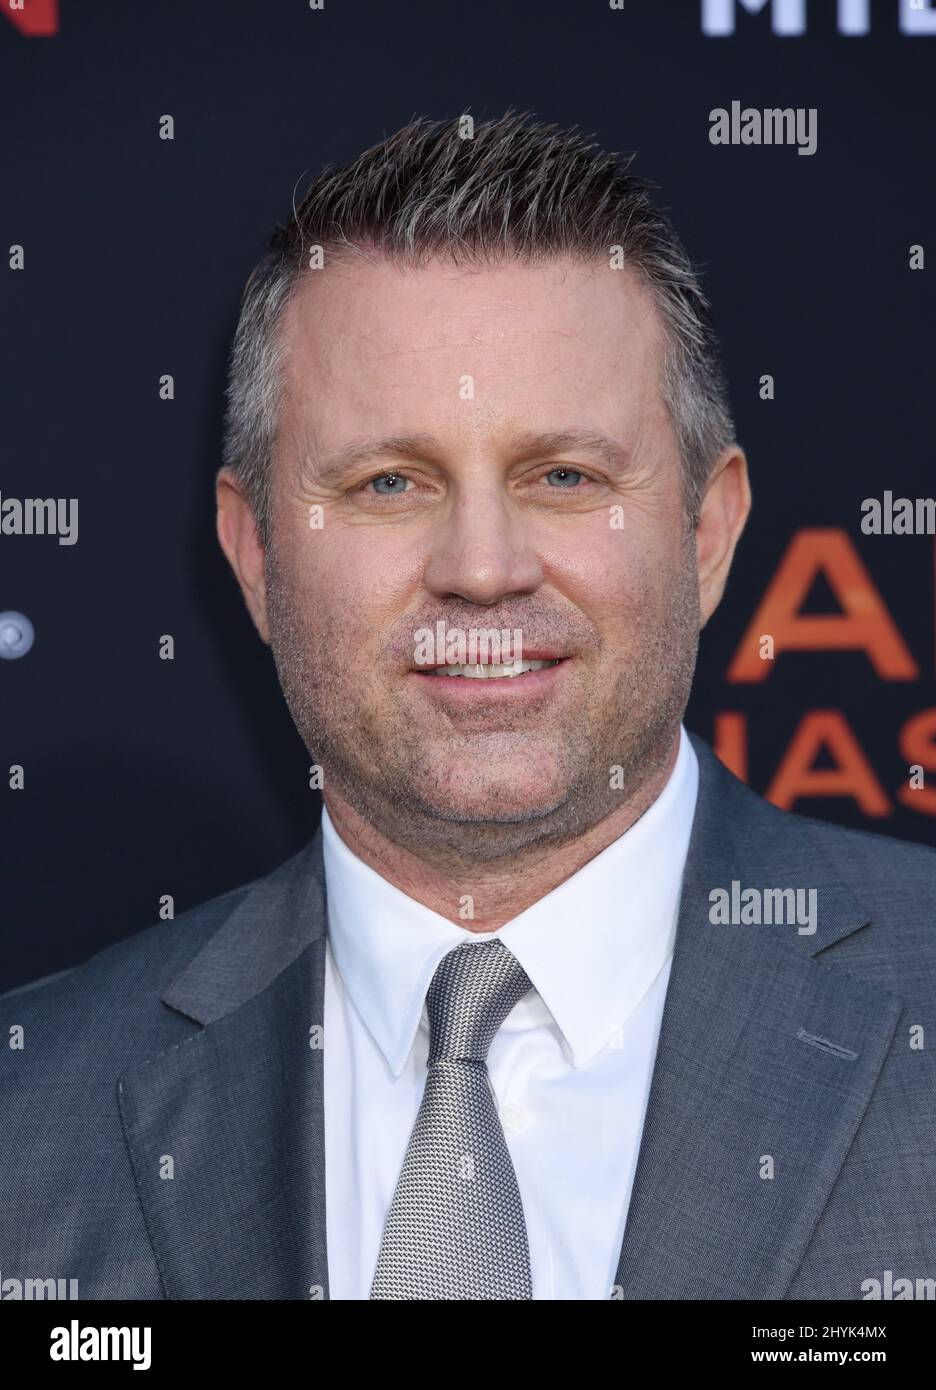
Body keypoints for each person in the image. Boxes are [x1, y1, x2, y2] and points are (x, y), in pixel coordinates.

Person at [2, 112, 934, 1301]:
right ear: (254, 553)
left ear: (707, 533)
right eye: (390, 481)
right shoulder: (25, 1128)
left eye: (565, 476)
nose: (483, 566)